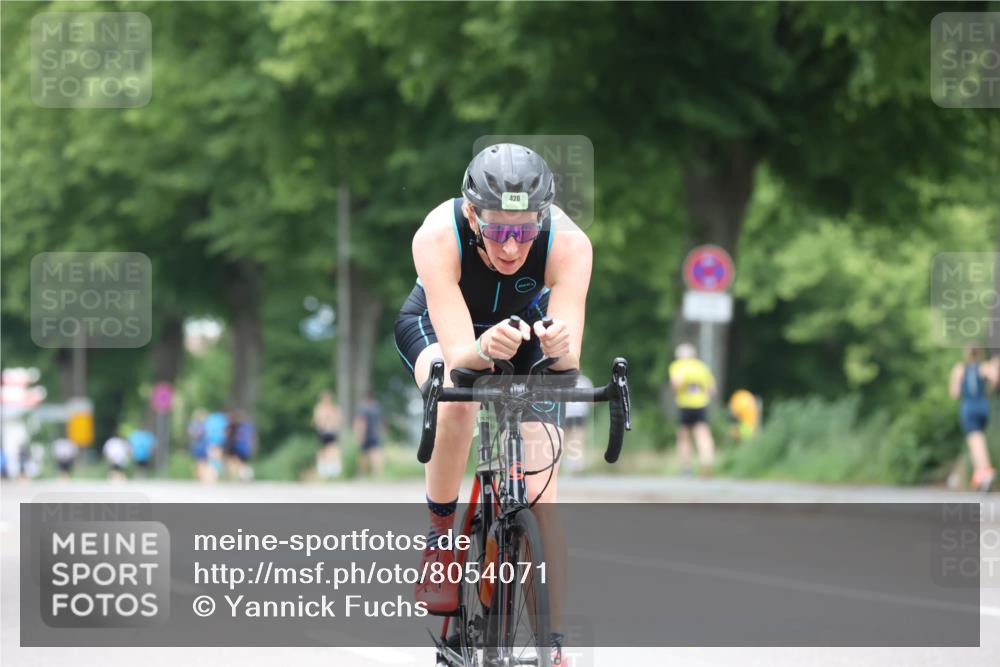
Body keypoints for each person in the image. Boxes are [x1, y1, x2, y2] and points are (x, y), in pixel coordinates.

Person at [393, 143, 591, 664]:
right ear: (471, 214)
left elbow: (568, 363)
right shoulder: (437, 236)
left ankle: (552, 644)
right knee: (456, 399)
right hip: (442, 331)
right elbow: (461, 358)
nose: (510, 246)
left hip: (525, 333)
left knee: (542, 498)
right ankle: (441, 537)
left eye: (524, 230)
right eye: (498, 229)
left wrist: (560, 347)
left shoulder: (570, 245)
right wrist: (480, 351)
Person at [949, 346, 995, 492]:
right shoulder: (985, 366)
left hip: (969, 407)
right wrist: (988, 389)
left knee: (975, 440)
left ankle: (984, 471)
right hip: (983, 406)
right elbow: (995, 378)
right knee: (979, 438)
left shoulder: (960, 368)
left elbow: (954, 393)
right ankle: (981, 472)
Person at [669, 343, 717, 476]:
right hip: (701, 405)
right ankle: (706, 462)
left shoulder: (678, 366)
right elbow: (712, 389)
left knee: (684, 438)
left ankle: (686, 468)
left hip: (685, 405)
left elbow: (676, 384)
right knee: (703, 435)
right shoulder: (702, 367)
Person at [563, 374, 594, 473]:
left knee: (574, 438)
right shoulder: (584, 381)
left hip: (576, 414)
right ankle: (574, 464)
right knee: (572, 439)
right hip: (568, 414)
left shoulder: (584, 381)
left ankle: (575, 464)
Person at [312, 391, 342, 480]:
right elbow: (317, 420)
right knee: (322, 450)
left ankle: (333, 471)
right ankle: (322, 470)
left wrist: (332, 423)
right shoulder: (319, 408)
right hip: (322, 432)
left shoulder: (334, 408)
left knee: (332, 449)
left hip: (332, 431)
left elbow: (338, 419)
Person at [354, 392, 385, 477]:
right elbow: (381, 422)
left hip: (366, 434)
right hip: (375, 434)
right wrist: (381, 432)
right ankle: (378, 473)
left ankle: (362, 474)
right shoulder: (377, 407)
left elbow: (361, 422)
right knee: (376, 453)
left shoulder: (363, 408)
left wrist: (360, 435)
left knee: (363, 455)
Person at [224, 409, 256, 481]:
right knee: (243, 462)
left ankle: (236, 476)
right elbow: (253, 437)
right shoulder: (249, 426)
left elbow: (230, 436)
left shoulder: (236, 426)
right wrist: (253, 446)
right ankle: (245, 475)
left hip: (237, 447)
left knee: (235, 461)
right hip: (246, 447)